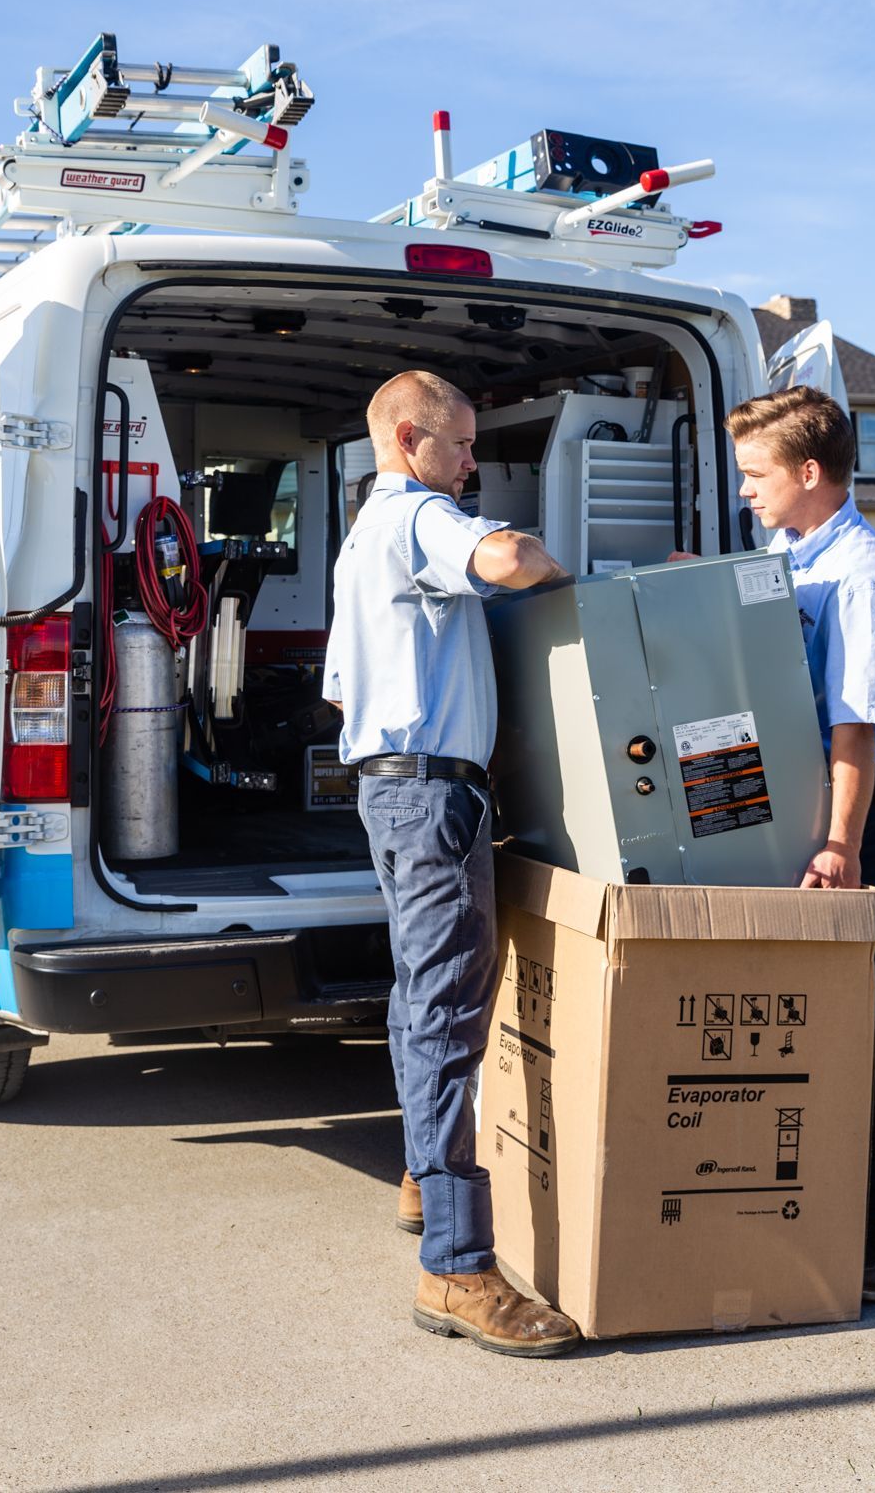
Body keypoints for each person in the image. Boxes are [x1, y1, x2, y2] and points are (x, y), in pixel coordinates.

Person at [323, 369, 581, 1357]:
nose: (473, 463)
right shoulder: (419, 514)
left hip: (404, 788)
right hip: (430, 791)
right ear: (407, 437)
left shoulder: (363, 541)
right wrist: (567, 584)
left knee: (420, 992)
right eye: (462, 443)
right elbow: (510, 554)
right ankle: (456, 1266)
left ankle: (420, 1182)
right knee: (446, 1003)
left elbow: (346, 691)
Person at [727, 385, 875, 1302]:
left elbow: (856, 730)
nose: (746, 492)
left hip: (855, 806)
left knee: (853, 1012)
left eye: (757, 474)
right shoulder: (791, 549)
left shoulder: (866, 573)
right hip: (805, 802)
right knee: (799, 1006)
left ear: (811, 473)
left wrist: (840, 846)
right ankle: (812, 1195)